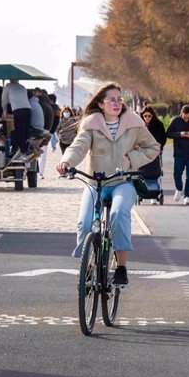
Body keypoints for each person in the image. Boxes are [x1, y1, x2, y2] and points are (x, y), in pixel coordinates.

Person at [56, 82, 159, 285]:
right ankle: (89, 264)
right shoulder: (91, 123)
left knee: (118, 214)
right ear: (101, 104)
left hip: (123, 181)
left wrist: (131, 158)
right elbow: (78, 147)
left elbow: (153, 147)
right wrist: (66, 161)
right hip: (95, 182)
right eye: (111, 99)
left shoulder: (133, 122)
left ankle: (121, 267)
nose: (117, 103)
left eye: (119, 99)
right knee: (85, 223)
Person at [166, 104, 189, 205]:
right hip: (179, 152)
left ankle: (187, 196)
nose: (186, 119)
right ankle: (178, 188)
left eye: (188, 117)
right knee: (177, 173)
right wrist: (179, 134)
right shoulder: (175, 121)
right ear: (181, 114)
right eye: (185, 117)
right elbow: (168, 134)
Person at [140, 106, 167, 204]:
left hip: (155, 152)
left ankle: (154, 195)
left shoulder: (158, 125)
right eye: (145, 116)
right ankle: (144, 191)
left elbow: (163, 138)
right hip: (142, 152)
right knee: (143, 171)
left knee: (154, 171)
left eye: (149, 116)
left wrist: (159, 145)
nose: (147, 118)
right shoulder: (139, 126)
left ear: (153, 116)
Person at [1, 78, 31, 158]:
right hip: (27, 109)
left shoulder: (7, 86)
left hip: (18, 110)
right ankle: (25, 150)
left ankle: (21, 151)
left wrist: (4, 111)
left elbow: (3, 100)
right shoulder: (22, 87)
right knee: (24, 131)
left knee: (18, 131)